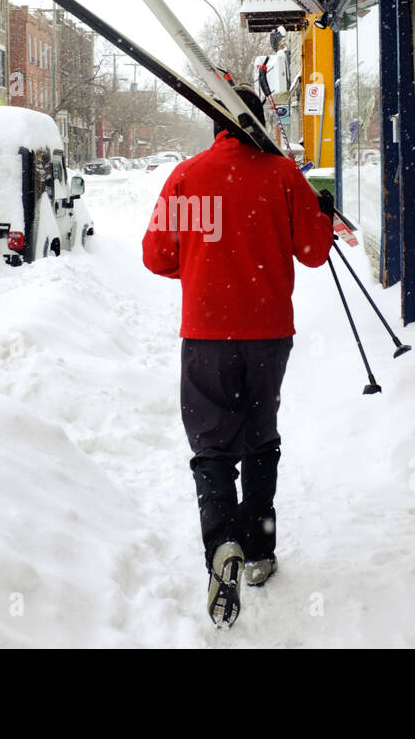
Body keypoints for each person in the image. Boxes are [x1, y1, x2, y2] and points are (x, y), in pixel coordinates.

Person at [142, 88, 335, 628]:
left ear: (216, 128)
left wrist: (204, 264)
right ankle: (260, 549)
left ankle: (222, 544)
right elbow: (315, 252)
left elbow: (156, 256)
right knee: (260, 438)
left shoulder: (186, 177)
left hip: (205, 334)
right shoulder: (282, 175)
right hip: (269, 334)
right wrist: (317, 214)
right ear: (259, 123)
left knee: (211, 447)